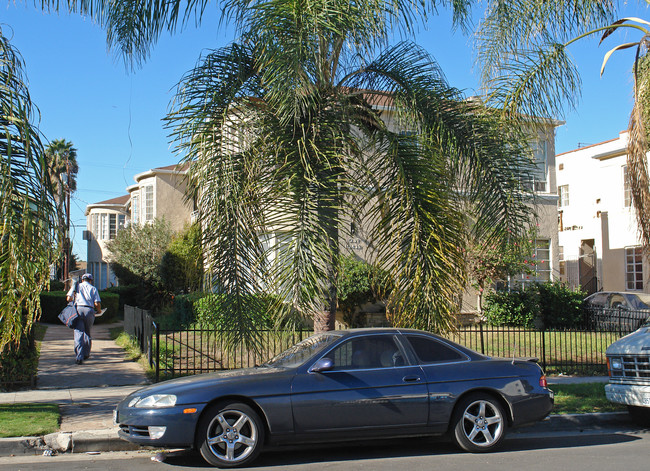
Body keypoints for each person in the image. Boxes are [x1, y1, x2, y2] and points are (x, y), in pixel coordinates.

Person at [66, 273, 101, 365]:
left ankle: (79, 356)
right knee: (87, 332)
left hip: (78, 309)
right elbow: (97, 303)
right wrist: (99, 311)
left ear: (82, 280)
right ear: (91, 280)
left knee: (78, 332)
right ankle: (86, 353)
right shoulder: (93, 288)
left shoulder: (77, 286)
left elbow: (68, 298)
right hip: (89, 310)